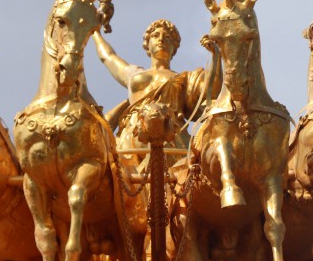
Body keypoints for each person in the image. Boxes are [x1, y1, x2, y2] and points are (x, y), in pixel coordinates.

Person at [92, 19, 220, 166]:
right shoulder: (133, 74)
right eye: (155, 35)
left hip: (171, 136)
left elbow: (213, 90)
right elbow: (108, 57)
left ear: (174, 46)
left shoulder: (184, 78)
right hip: (132, 136)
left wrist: (216, 55)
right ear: (147, 43)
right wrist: (95, 31)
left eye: (167, 37)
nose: (161, 39)